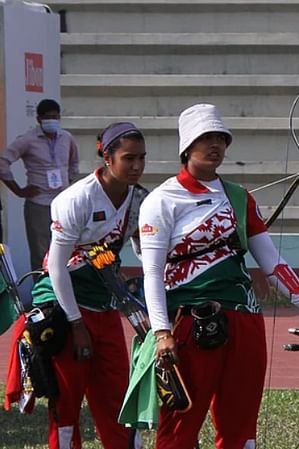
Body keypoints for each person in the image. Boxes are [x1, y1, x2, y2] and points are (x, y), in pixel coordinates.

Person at [138, 103, 299, 449]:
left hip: (244, 320)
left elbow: (272, 263)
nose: (215, 145)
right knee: (180, 425)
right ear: (187, 147)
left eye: (221, 138)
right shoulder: (161, 200)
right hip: (191, 320)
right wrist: (162, 332)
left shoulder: (239, 198)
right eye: (205, 138)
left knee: (241, 424)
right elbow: (152, 272)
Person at [21, 122, 147, 448]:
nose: (136, 167)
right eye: (128, 158)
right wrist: (76, 324)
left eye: (141, 159)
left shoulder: (140, 200)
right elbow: (57, 268)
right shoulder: (76, 199)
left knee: (119, 398)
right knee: (66, 401)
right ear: (106, 158)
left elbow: (142, 248)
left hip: (105, 303)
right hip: (65, 307)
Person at [0, 99, 80, 270]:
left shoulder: (67, 138)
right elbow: (3, 162)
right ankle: (43, 294)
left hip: (63, 204)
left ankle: (63, 292)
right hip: (39, 204)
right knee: (40, 253)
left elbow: (74, 163)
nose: (52, 120)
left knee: (68, 251)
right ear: (39, 119)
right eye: (48, 117)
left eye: (55, 117)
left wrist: (68, 184)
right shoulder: (28, 140)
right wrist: (18, 190)